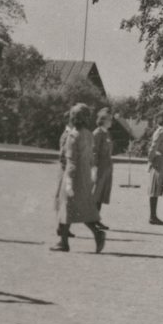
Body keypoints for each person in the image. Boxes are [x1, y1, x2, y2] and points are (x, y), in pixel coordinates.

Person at [52, 104, 107, 253]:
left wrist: (69, 182)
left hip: (73, 176)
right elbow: (90, 157)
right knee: (82, 207)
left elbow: (71, 161)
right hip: (85, 174)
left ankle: (64, 243)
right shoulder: (89, 134)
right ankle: (96, 233)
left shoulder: (73, 136)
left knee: (66, 207)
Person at [147, 109, 163, 225]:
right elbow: (153, 147)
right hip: (158, 162)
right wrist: (150, 161)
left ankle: (153, 216)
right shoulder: (160, 132)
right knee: (154, 188)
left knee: (156, 188)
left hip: (161, 161)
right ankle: (152, 216)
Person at [91, 107, 114, 230]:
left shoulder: (107, 133)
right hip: (99, 167)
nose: (111, 122)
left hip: (107, 167)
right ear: (103, 120)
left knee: (101, 194)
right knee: (97, 193)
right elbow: (94, 152)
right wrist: (94, 168)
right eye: (109, 119)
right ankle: (93, 219)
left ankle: (96, 219)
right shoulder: (98, 133)